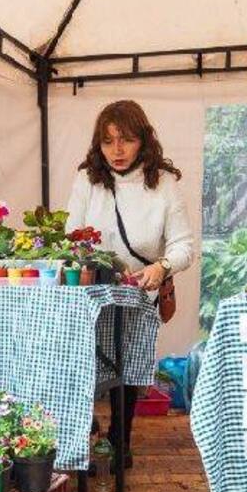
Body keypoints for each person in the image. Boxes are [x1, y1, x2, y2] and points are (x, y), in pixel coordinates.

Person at [66, 100, 195, 469]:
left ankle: (121, 440)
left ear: (143, 140)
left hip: (139, 291)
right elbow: (70, 235)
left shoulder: (163, 183)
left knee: (127, 366)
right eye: (107, 142)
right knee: (85, 364)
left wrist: (162, 266)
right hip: (93, 291)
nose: (117, 151)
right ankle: (82, 435)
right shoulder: (87, 179)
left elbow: (184, 245)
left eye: (126, 140)